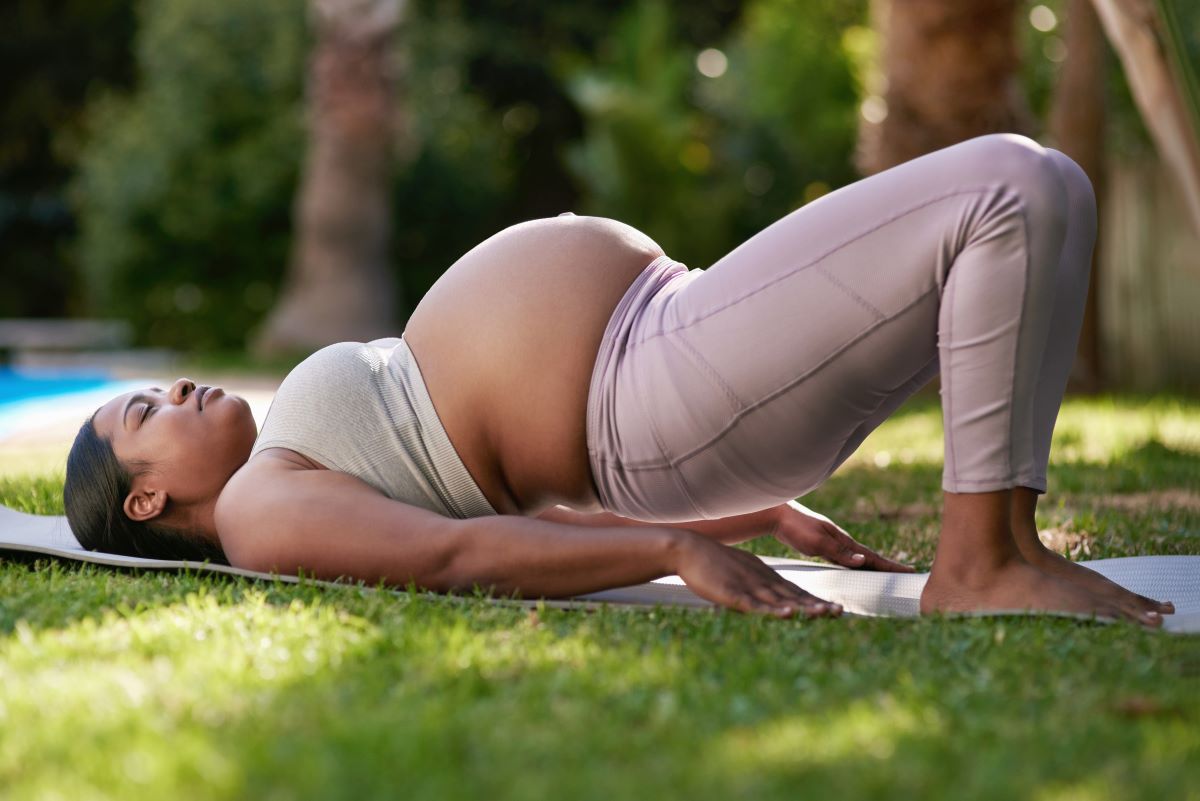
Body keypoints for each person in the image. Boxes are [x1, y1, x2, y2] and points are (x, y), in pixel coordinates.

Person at [63, 133, 1174, 626]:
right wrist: (679, 548)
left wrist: (759, 508)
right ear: (149, 500)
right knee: (1009, 190)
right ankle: (979, 563)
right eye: (144, 415)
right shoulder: (261, 511)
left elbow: (500, 489)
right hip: (651, 386)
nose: (180, 389)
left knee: (1047, 189)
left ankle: (1009, 548)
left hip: (674, 343)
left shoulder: (299, 468)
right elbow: (462, 553)